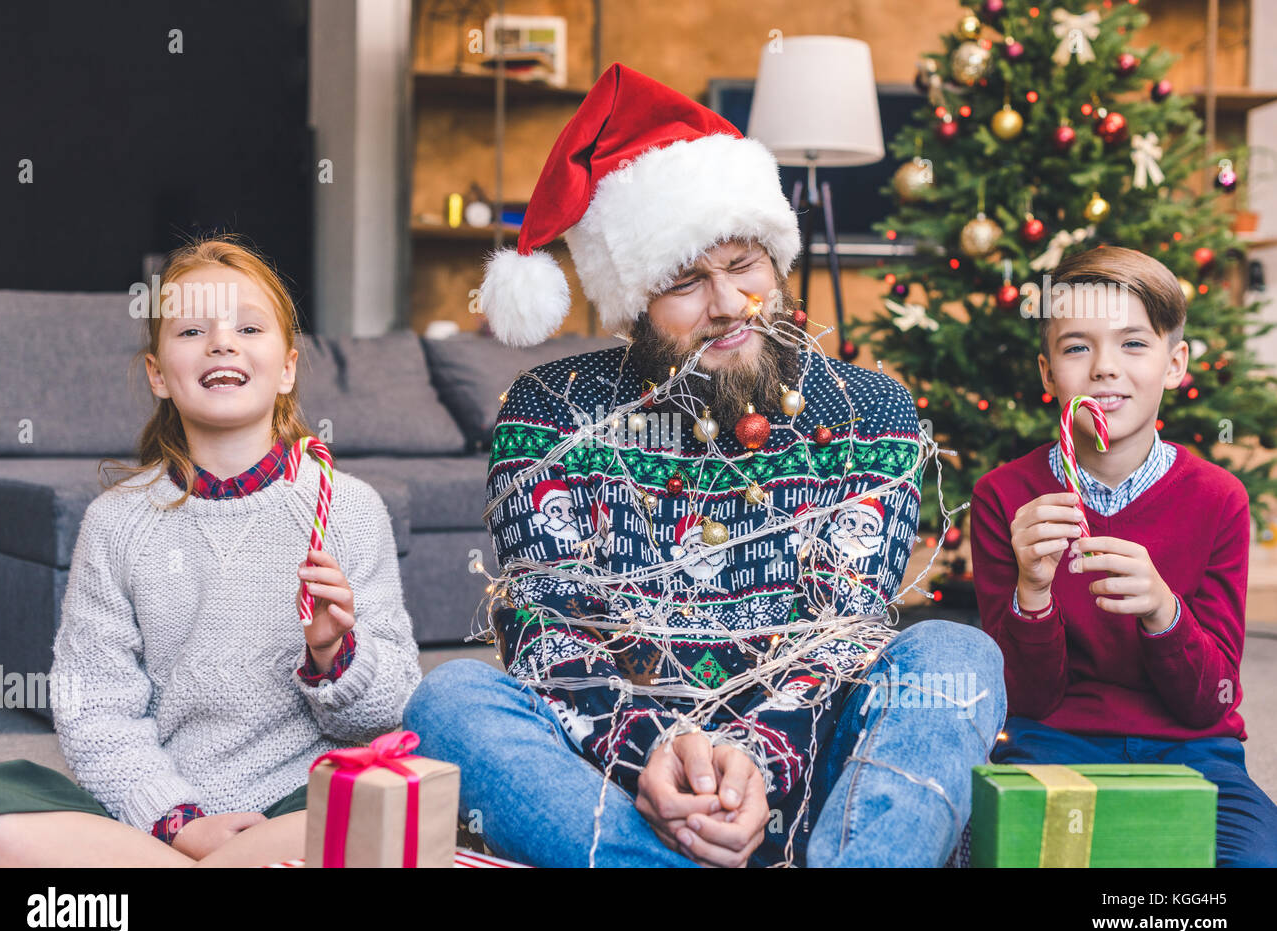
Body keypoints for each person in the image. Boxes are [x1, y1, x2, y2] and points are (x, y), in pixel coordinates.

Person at [403, 63, 1006, 868]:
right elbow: (550, 632)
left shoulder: (871, 412)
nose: (727, 304)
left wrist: (755, 761)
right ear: (635, 305)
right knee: (449, 698)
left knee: (959, 661)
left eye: (744, 265)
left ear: (777, 263)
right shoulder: (548, 412)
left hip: (814, 765)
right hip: (622, 780)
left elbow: (842, 637)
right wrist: (653, 756)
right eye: (686, 280)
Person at [0, 237, 419, 866]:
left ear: (288, 366)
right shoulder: (115, 524)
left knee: (388, 804)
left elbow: (391, 711)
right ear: (158, 373)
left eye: (247, 326)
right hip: (154, 820)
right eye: (192, 329)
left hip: (299, 803)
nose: (222, 342)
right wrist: (177, 823)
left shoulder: (347, 510)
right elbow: (94, 712)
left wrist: (334, 654)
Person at [970, 245, 1277, 867]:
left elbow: (1211, 700)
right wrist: (1033, 591)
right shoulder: (1005, 497)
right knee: (1015, 853)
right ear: (1048, 373)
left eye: (1134, 344)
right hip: (1051, 743)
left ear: (1175, 363)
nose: (1105, 368)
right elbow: (1025, 699)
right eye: (1077, 347)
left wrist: (1166, 613)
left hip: (1196, 754)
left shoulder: (1219, 499)